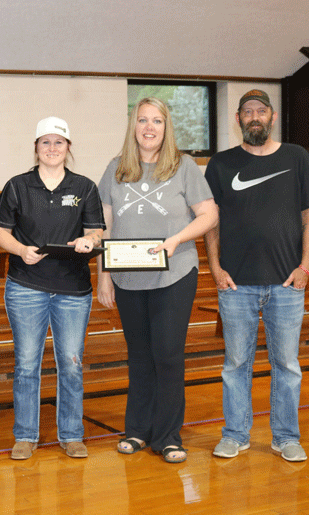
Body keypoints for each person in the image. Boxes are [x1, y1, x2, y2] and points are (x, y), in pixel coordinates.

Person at [97, 97, 218, 463]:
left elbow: (209, 215)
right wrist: (103, 277)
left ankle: (167, 436)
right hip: (128, 278)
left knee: (166, 355)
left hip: (175, 276)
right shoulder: (116, 168)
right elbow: (104, 227)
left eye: (157, 121)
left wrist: (177, 239)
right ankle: (136, 430)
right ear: (133, 126)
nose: (149, 128)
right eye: (143, 120)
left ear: (167, 128)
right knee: (139, 357)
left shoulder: (184, 168)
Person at [204, 89, 309, 463]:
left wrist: (306, 267)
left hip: (287, 284)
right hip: (235, 284)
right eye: (247, 111)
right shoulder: (221, 164)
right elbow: (210, 222)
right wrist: (215, 268)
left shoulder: (297, 157)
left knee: (286, 365)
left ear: (272, 117)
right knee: (236, 364)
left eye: (261, 110)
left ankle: (285, 437)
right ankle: (235, 434)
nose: (255, 116)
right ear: (238, 119)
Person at [0, 117, 105, 460]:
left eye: (59, 142)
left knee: (70, 363)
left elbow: (97, 231)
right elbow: (0, 232)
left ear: (68, 148)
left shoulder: (85, 187)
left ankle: (71, 435)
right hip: (26, 287)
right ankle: (25, 436)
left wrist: (89, 239)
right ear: (36, 148)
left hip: (73, 290)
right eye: (46, 142)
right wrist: (20, 250)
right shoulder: (17, 186)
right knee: (27, 363)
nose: (52, 148)